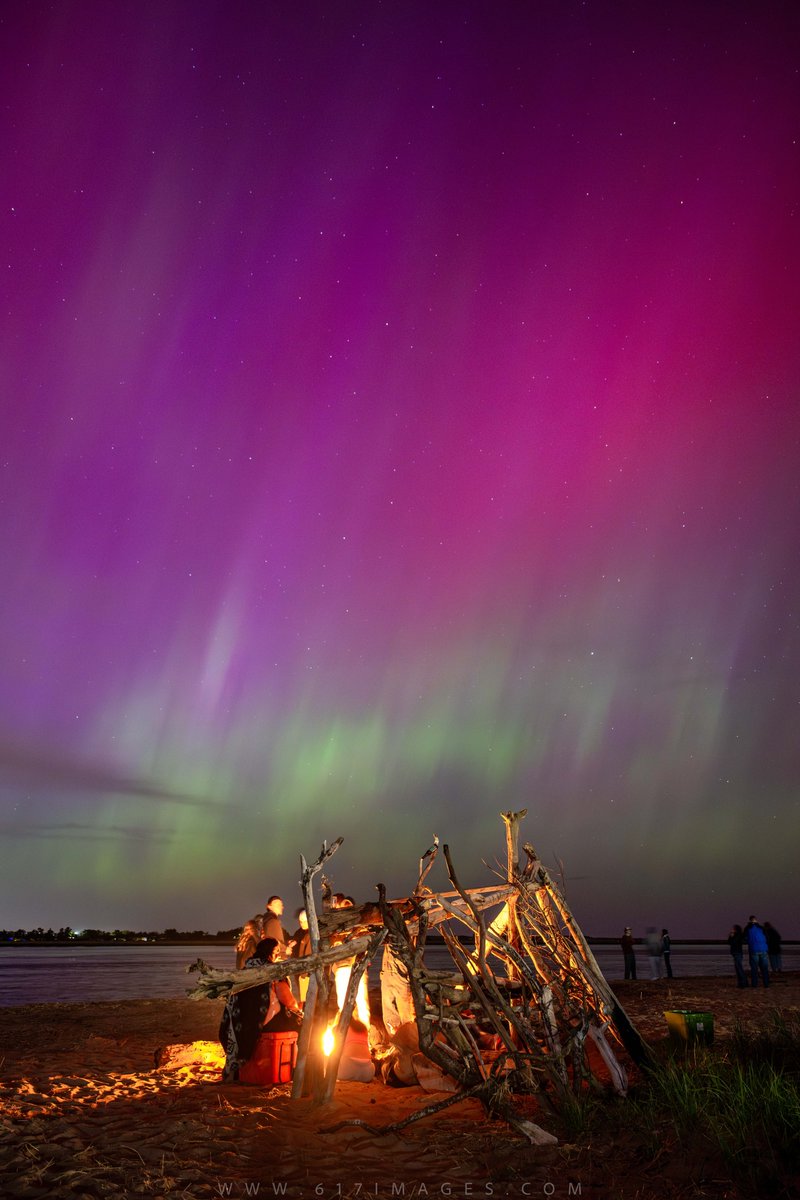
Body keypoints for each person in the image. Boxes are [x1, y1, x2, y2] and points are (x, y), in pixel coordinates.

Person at [219, 937, 303, 1082]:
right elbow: (289, 1002)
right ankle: (299, 1068)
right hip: (265, 1023)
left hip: (241, 1026)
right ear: (272, 953)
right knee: (303, 1024)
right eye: (277, 951)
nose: (278, 954)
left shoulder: (245, 971)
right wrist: (299, 1011)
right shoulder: (274, 972)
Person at [289, 907, 312, 1001]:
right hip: (297, 968)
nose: (301, 923)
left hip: (307, 970)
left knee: (308, 995)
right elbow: (296, 943)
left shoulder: (312, 932)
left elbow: (308, 952)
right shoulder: (298, 932)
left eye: (303, 921)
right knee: (302, 995)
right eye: (300, 921)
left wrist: (304, 972)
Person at [744, 915, 770, 988]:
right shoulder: (761, 928)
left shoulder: (748, 928)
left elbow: (744, 937)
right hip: (763, 949)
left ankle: (754, 984)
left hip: (754, 949)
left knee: (754, 968)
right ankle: (766, 984)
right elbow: (767, 937)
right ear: (756, 920)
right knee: (764, 968)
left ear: (750, 920)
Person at [727, 923, 748, 988]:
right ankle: (741, 983)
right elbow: (729, 942)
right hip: (735, 953)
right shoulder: (736, 935)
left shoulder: (738, 935)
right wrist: (730, 936)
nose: (732, 929)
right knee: (738, 968)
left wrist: (732, 936)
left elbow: (734, 942)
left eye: (733, 928)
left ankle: (743, 983)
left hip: (737, 953)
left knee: (739, 968)